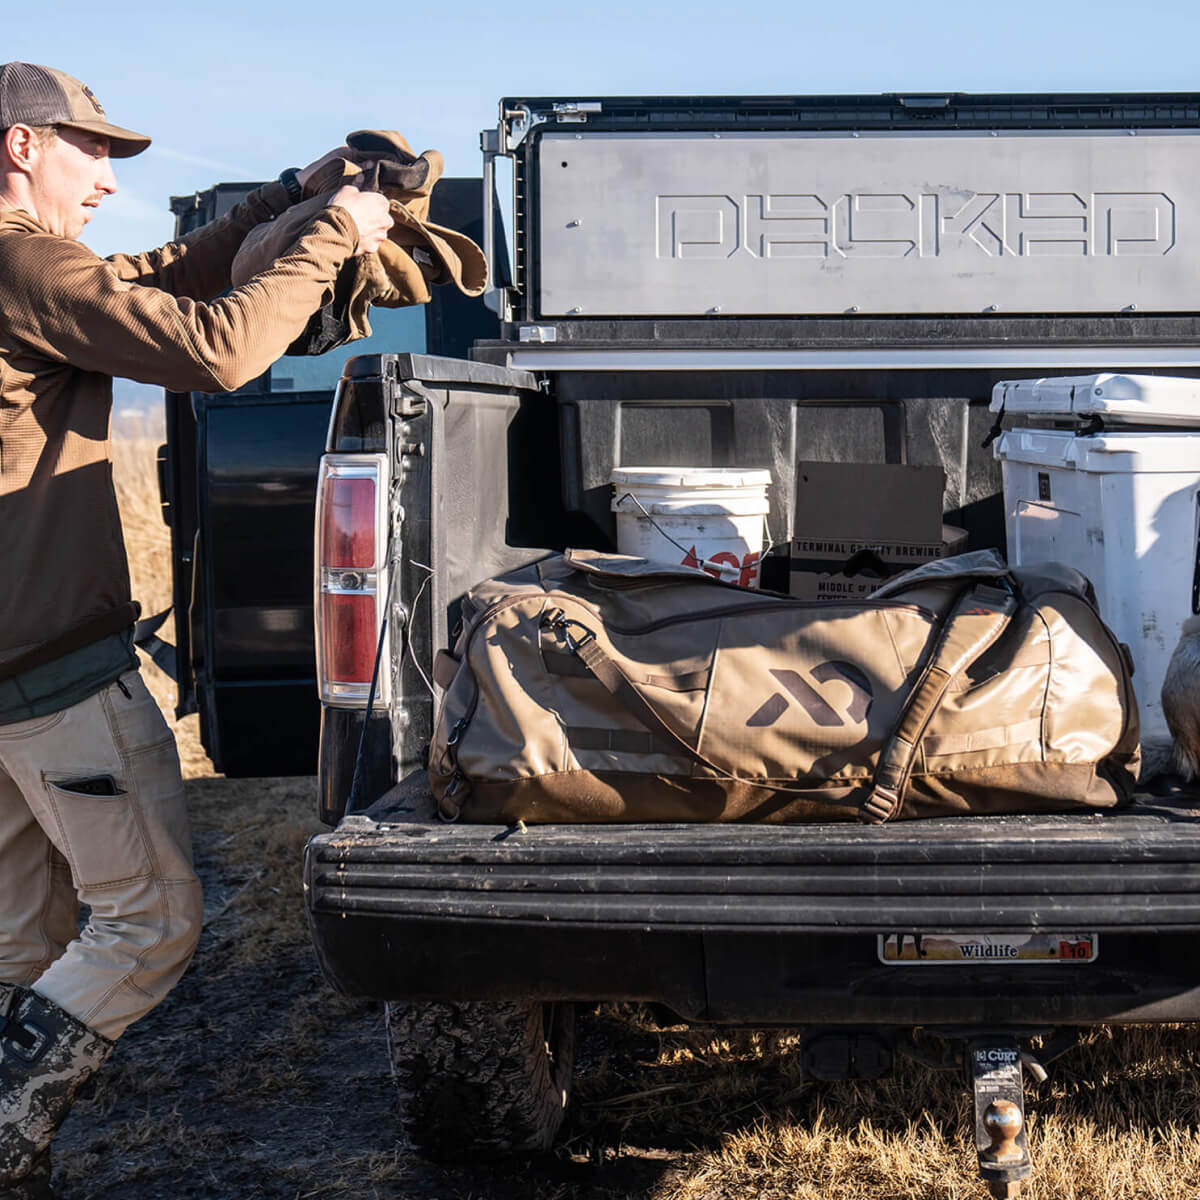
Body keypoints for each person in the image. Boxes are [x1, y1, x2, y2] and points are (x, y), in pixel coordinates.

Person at [0, 61, 393, 1198]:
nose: (109, 184)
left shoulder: (31, 268)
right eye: (93, 155)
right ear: (21, 145)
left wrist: (284, 200)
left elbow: (144, 277)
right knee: (150, 922)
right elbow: (216, 348)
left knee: (26, 946)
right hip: (52, 678)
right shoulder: (23, 258)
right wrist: (333, 238)